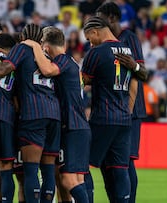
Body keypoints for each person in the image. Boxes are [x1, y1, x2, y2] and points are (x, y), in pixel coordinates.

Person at [0, 23, 61, 203]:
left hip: (33, 114)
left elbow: (1, 71)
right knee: (49, 171)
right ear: (41, 40)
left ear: (22, 38)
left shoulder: (22, 49)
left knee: (30, 170)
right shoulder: (47, 55)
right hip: (54, 115)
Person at [22, 26, 91, 203]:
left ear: (46, 47)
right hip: (79, 126)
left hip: (73, 127)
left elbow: (47, 71)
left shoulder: (62, 60)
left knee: (67, 179)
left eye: (42, 47)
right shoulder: (71, 62)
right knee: (77, 180)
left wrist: (34, 46)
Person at [96, 2, 148, 203]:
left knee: (125, 161)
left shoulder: (129, 39)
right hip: (109, 111)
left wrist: (133, 65)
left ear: (112, 18)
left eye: (100, 17)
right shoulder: (102, 44)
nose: (97, 22)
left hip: (130, 111)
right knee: (107, 161)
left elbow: (141, 74)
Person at [81, 16, 133, 203]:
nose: (90, 43)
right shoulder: (128, 50)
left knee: (82, 164)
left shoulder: (97, 52)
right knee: (119, 169)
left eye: (89, 38)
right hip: (124, 119)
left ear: (95, 32)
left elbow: (83, 81)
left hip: (103, 117)